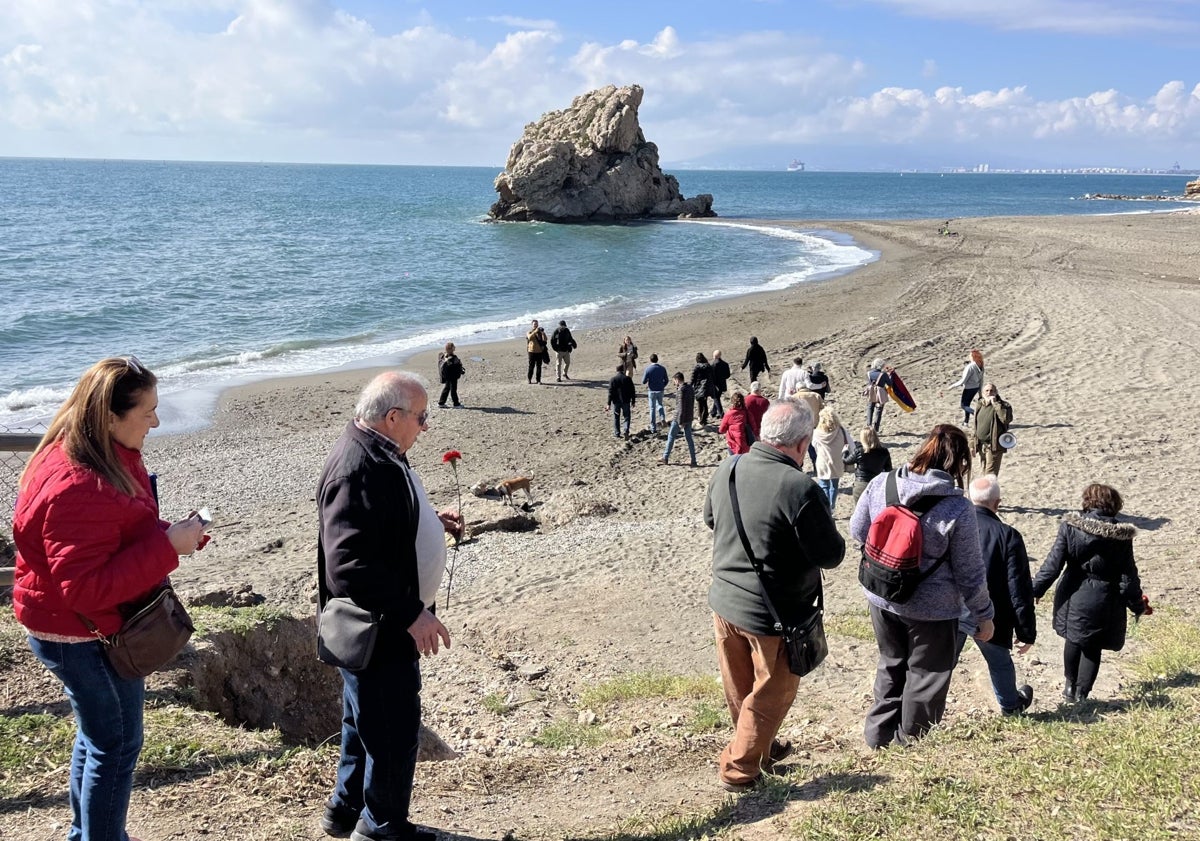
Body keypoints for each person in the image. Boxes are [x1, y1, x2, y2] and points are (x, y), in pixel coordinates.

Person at [11, 356, 207, 841]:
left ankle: (89, 834)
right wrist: (166, 548)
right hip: (80, 633)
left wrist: (170, 534)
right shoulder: (80, 483)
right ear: (110, 416)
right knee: (116, 744)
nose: (156, 421)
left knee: (100, 737)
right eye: (147, 412)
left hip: (83, 624)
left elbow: (113, 532)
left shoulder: (95, 453)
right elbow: (84, 586)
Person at [317, 372, 464, 841]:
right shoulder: (357, 467)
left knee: (364, 725)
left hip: (381, 625)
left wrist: (425, 521)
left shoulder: (379, 452)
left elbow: (377, 524)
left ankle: (346, 812)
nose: (426, 427)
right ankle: (381, 829)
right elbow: (350, 565)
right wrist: (412, 614)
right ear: (393, 416)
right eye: (422, 418)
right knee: (393, 731)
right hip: (378, 628)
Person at [704, 400, 846, 791]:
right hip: (774, 614)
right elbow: (830, 555)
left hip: (725, 602)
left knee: (741, 688)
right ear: (802, 445)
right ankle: (739, 769)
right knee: (771, 694)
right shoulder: (799, 487)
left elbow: (711, 520)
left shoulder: (728, 468)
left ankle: (759, 751)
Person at [849, 423, 994, 749]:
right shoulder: (958, 507)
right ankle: (909, 744)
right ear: (960, 464)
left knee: (891, 662)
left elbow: (857, 531)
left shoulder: (880, 484)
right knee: (926, 676)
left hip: (882, 595)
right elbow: (970, 572)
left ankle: (878, 736)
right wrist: (984, 615)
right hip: (933, 608)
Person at [1031, 484, 1149, 703]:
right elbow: (1128, 575)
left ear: (1087, 502)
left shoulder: (1070, 527)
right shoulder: (1122, 535)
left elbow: (1053, 564)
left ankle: (1069, 688)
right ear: (1113, 504)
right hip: (1105, 596)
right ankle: (1082, 694)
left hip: (1073, 590)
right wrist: (1136, 604)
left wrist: (1035, 590)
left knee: (1073, 639)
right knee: (1093, 646)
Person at [957, 475, 1036, 715]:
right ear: (997, 503)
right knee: (999, 662)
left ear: (971, 500)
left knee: (940, 663)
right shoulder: (1008, 535)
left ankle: (923, 710)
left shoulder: (957, 526)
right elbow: (1018, 588)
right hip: (990, 611)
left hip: (953, 607)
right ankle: (1010, 706)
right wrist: (1026, 632)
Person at [811, 406, 852, 512]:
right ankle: (832, 507)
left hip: (823, 461)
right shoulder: (841, 430)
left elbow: (814, 446)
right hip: (837, 461)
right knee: (834, 485)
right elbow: (850, 444)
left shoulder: (816, 433)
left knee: (824, 485)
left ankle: (826, 508)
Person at [843, 427, 893, 507]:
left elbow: (846, 461)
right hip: (877, 483)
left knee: (860, 511)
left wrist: (845, 451)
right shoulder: (884, 451)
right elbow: (889, 470)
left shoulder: (859, 451)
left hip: (861, 484)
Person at [971, 383, 1012, 475]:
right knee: (983, 471)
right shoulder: (980, 405)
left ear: (996, 392)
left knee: (990, 475)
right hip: (981, 445)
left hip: (993, 446)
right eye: (987, 390)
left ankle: (989, 489)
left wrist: (995, 404)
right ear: (982, 393)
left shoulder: (1004, 405)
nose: (989, 393)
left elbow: (1005, 419)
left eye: (992, 390)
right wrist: (972, 444)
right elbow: (976, 427)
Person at [658, 372, 697, 467]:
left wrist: (681, 422)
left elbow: (681, 407)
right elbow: (691, 403)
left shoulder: (681, 390)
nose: (674, 383)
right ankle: (693, 460)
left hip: (680, 418)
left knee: (671, 436)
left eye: (674, 381)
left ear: (677, 379)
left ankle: (665, 457)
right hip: (689, 416)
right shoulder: (690, 388)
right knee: (689, 438)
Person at [948, 349, 985, 424]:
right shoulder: (981, 366)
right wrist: (980, 392)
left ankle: (975, 414)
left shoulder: (970, 367)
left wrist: (952, 386)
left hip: (969, 389)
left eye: (970, 355)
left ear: (973, 357)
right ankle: (966, 422)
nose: (969, 356)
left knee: (963, 405)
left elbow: (963, 380)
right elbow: (981, 380)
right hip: (976, 388)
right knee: (967, 404)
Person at [641, 353, 669, 432]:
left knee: (652, 408)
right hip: (660, 390)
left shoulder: (648, 369)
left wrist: (648, 380)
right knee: (660, 405)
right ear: (657, 359)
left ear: (650, 360)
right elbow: (666, 380)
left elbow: (643, 381)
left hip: (652, 390)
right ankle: (662, 418)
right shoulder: (662, 368)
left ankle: (653, 427)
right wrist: (662, 386)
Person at [606, 364, 636, 439]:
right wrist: (633, 401)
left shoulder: (613, 379)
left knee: (616, 417)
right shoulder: (628, 379)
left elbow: (610, 392)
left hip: (616, 402)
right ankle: (626, 430)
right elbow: (632, 391)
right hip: (626, 401)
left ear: (616, 371)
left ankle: (617, 433)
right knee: (626, 416)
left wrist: (608, 403)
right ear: (623, 370)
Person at [864, 358, 893, 433]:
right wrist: (890, 375)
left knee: (870, 408)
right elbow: (890, 383)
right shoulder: (883, 374)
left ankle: (868, 426)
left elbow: (869, 382)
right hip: (880, 393)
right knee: (879, 410)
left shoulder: (868, 373)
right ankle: (876, 429)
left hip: (871, 392)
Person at [436, 342, 464, 408]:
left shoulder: (444, 356)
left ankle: (441, 403)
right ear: (451, 349)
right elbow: (457, 366)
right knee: (453, 390)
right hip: (452, 376)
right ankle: (456, 404)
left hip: (447, 376)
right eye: (453, 347)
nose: (455, 347)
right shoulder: (453, 358)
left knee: (447, 388)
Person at [691, 352, 715, 426]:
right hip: (707, 387)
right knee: (704, 403)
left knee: (700, 403)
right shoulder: (708, 366)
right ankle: (704, 418)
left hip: (699, 387)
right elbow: (712, 376)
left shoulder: (697, 367)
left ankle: (701, 418)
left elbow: (693, 378)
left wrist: (690, 386)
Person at [526, 320, 548, 384]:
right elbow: (529, 337)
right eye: (534, 324)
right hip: (531, 351)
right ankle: (529, 379)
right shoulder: (529, 332)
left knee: (539, 366)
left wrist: (543, 333)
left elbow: (545, 340)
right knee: (531, 366)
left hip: (539, 352)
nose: (535, 325)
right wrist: (535, 331)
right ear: (532, 325)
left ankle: (538, 380)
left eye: (536, 324)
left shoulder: (540, 333)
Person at [711, 350, 731, 419]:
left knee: (716, 399)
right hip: (722, 384)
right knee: (717, 397)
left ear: (715, 356)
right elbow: (728, 375)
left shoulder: (713, 365)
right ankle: (713, 412)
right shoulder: (725, 364)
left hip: (716, 385)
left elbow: (712, 377)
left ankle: (721, 414)